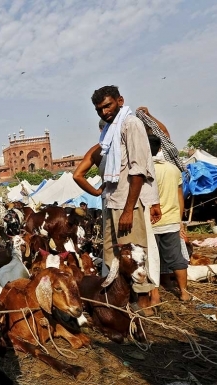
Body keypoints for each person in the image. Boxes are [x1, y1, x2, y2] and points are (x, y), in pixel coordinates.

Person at [73, 85, 162, 314]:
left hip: (125, 203)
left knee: (134, 256)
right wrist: (98, 194)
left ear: (120, 101)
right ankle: (119, 309)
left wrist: (129, 209)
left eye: (107, 106)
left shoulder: (131, 124)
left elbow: (138, 171)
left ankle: (144, 311)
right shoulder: (109, 133)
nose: (104, 112)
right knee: (114, 258)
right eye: (99, 109)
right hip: (112, 201)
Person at [148, 135, 191, 301]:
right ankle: (184, 293)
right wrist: (178, 220)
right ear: (160, 149)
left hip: (150, 222)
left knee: (152, 259)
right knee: (175, 257)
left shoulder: (144, 170)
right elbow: (180, 197)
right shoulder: (173, 169)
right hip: (171, 221)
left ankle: (155, 295)